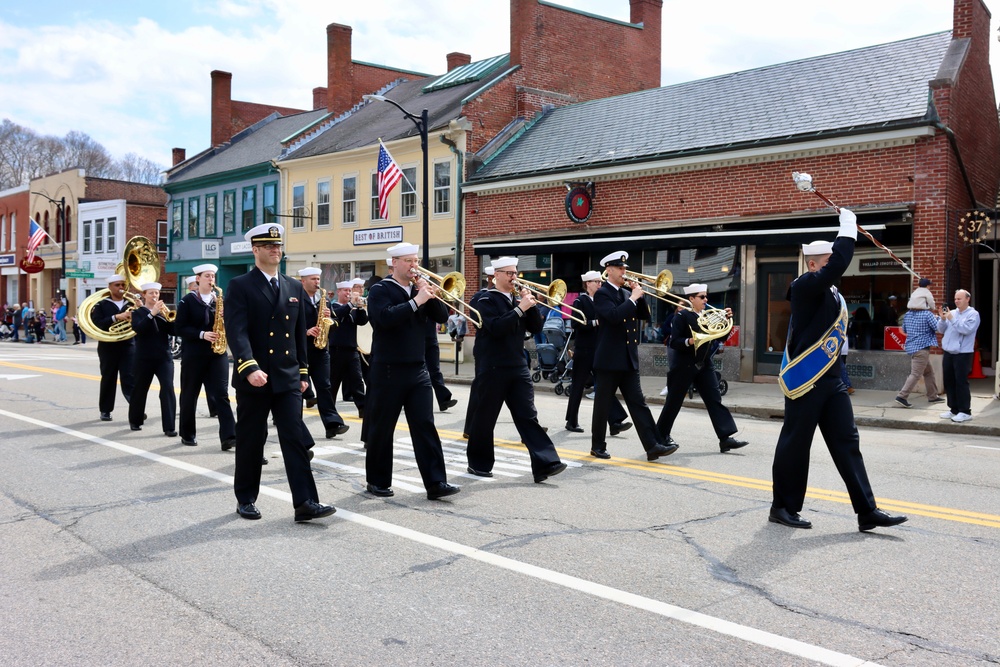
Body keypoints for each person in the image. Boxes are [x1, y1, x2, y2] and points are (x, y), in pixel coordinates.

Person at [770, 209, 907, 532]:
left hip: (831, 380)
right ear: (814, 263)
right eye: (828, 261)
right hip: (806, 380)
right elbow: (840, 263)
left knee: (848, 441)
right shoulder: (804, 286)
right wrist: (847, 227)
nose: (835, 266)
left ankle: (867, 510)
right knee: (796, 443)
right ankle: (782, 507)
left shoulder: (831, 292)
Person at [225, 223, 336, 523]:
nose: (276, 250)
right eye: (269, 246)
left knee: (294, 438)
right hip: (256, 376)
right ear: (256, 250)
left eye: (278, 246)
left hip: (287, 376)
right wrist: (248, 366)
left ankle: (306, 502)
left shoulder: (293, 286)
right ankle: (246, 498)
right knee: (251, 438)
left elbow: (298, 334)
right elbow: (237, 332)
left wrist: (303, 373)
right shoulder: (241, 285)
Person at [364, 242, 459, 501]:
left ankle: (436, 482)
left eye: (415, 260)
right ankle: (377, 480)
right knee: (383, 427)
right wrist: (417, 301)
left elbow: (440, 317)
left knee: (425, 425)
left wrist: (431, 294)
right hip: (388, 369)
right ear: (393, 263)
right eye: (408, 260)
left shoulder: (422, 290)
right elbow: (383, 319)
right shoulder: (380, 290)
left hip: (418, 369)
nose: (414, 265)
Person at [466, 257, 567, 483]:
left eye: (515, 272)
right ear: (496, 276)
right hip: (492, 366)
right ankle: (478, 464)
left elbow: (536, 327)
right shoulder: (483, 299)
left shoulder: (517, 300)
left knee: (528, 416)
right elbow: (496, 328)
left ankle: (546, 463)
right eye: (509, 273)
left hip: (517, 365)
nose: (514, 277)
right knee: (485, 417)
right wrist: (521, 308)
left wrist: (529, 305)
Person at [591, 250, 676, 461]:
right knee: (602, 405)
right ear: (609, 270)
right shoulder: (603, 294)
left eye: (624, 269)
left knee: (639, 403)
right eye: (620, 269)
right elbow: (612, 317)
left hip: (628, 359)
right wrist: (633, 299)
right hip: (609, 360)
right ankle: (597, 445)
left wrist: (640, 296)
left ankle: (652, 445)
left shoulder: (626, 293)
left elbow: (644, 316)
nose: (624, 272)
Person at [656, 284, 748, 453]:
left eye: (706, 296)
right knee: (673, 402)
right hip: (684, 365)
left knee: (714, 399)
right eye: (702, 297)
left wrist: (726, 320)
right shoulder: (682, 316)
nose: (706, 300)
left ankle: (725, 438)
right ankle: (660, 437)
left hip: (705, 363)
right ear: (691, 299)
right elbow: (674, 342)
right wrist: (690, 341)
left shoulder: (707, 315)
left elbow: (721, 336)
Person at [175, 263, 236, 449]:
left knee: (222, 395)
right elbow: (179, 328)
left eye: (213, 276)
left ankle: (229, 437)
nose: (211, 280)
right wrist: (202, 334)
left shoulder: (219, 301)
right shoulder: (187, 301)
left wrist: (227, 318)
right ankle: (187, 434)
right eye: (207, 276)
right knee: (190, 395)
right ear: (198, 279)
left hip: (217, 354)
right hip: (194, 354)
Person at [564, 270, 629, 432]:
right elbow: (576, 324)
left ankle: (614, 422)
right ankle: (571, 421)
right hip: (584, 350)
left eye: (601, 282)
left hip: (599, 349)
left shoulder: (602, 299)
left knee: (604, 386)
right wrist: (595, 323)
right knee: (578, 385)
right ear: (588, 284)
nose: (600, 284)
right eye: (596, 282)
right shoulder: (581, 301)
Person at [298, 267, 349, 439]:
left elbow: (334, 322)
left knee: (325, 386)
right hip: (301, 350)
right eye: (313, 279)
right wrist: (305, 331)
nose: (317, 282)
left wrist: (330, 320)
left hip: (320, 350)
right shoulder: (295, 299)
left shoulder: (323, 299)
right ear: (303, 281)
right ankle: (295, 426)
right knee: (298, 389)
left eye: (318, 279)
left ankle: (332, 423)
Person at [127, 281, 177, 436]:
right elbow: (139, 329)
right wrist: (152, 314)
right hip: (144, 357)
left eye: (156, 293)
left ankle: (169, 427)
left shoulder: (163, 312)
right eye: (151, 293)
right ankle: (135, 420)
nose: (154, 296)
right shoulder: (138, 313)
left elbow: (174, 331)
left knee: (168, 389)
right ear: (144, 295)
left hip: (163, 357)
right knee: (140, 389)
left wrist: (170, 319)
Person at [92, 276, 136, 421]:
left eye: (123, 284)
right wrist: (116, 317)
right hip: (107, 346)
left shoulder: (132, 303)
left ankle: (137, 409)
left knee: (129, 378)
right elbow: (97, 324)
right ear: (110, 287)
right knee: (108, 378)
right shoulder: (101, 304)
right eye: (117, 285)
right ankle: (105, 410)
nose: (121, 287)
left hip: (128, 346)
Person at [937, 289, 981, 423]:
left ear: (968, 299)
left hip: (963, 353)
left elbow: (966, 329)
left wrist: (951, 318)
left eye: (959, 299)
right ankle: (953, 409)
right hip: (949, 352)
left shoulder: (973, 314)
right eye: (955, 299)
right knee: (949, 382)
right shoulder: (952, 313)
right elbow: (940, 330)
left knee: (961, 382)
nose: (956, 301)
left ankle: (965, 411)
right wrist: (943, 319)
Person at [462, 265, 494, 439]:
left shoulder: (508, 297)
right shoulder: (479, 297)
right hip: (485, 348)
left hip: (506, 351)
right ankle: (469, 427)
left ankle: (528, 432)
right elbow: (478, 322)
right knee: (480, 388)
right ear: (490, 278)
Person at [329, 280, 367, 418]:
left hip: (351, 350)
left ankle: (363, 408)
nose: (348, 293)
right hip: (336, 350)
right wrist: (351, 305)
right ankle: (329, 410)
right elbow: (337, 314)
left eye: (350, 291)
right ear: (338, 292)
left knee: (357, 380)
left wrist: (360, 307)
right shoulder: (333, 306)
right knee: (333, 382)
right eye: (345, 290)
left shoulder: (353, 309)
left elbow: (363, 321)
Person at [895, 303, 942, 408]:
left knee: (929, 372)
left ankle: (933, 396)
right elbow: (937, 328)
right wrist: (938, 318)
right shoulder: (927, 314)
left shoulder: (908, 314)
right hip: (922, 349)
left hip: (912, 347)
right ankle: (902, 396)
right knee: (915, 374)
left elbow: (904, 329)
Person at [425, 317, 458, 412]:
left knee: (435, 371)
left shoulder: (431, 302)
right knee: (415, 372)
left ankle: (444, 401)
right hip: (416, 339)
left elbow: (442, 316)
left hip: (431, 338)